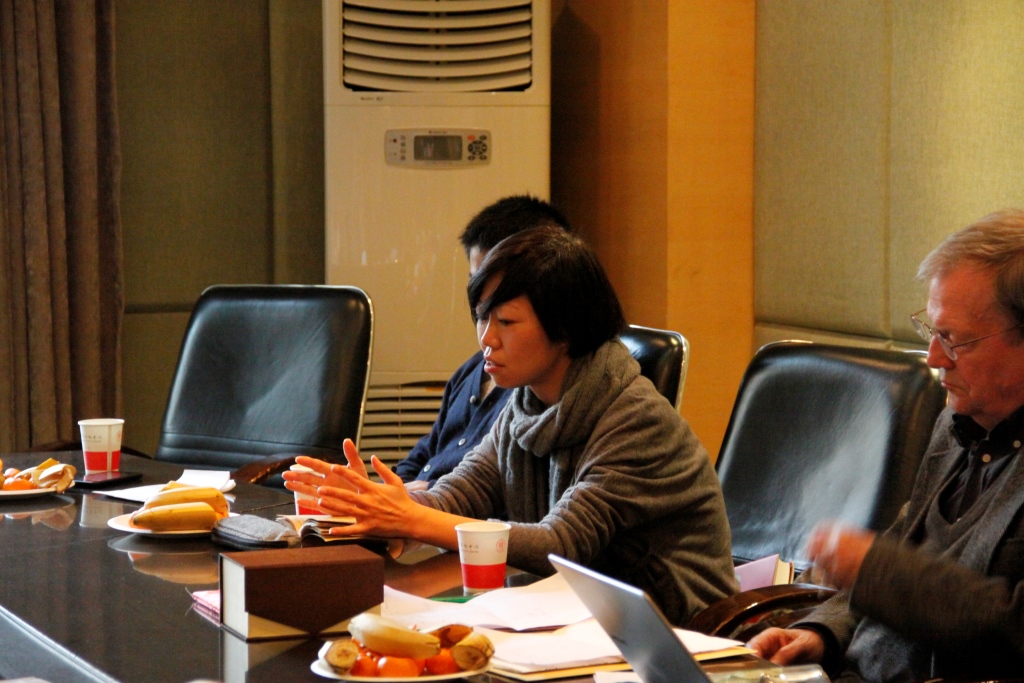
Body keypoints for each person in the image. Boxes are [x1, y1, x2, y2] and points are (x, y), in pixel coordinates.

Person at [285, 226, 737, 625]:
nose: (486, 338)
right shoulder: (525, 403)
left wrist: (412, 518)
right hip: (579, 619)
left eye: (505, 321)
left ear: (565, 329)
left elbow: (561, 544)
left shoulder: (636, 418)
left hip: (681, 633)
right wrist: (373, 502)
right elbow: (460, 493)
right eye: (483, 317)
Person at [749, 208, 1024, 681]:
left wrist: (876, 570)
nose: (934, 358)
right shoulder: (957, 421)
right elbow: (903, 549)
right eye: (933, 332)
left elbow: (1014, 628)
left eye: (953, 340)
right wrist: (823, 633)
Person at [395, 195, 571, 491]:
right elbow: (426, 454)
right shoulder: (472, 369)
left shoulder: (537, 392)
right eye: (474, 281)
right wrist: (383, 490)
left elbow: (495, 494)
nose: (480, 298)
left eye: (507, 320)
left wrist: (412, 497)